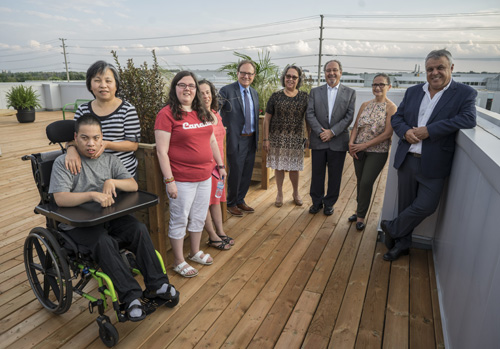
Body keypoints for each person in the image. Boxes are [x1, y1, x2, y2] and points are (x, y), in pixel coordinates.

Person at [49, 114, 178, 322]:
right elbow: (60, 198)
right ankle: (131, 298)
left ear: (102, 138)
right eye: (84, 138)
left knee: (138, 228)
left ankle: (157, 285)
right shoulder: (63, 163)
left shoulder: (109, 159)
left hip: (108, 216)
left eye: (95, 138)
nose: (91, 143)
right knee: (103, 241)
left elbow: (133, 185)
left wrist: (112, 182)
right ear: (75, 137)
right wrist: (92, 195)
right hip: (78, 225)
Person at [381, 49, 477, 261]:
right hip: (407, 159)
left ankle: (391, 227)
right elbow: (397, 118)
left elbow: (468, 119)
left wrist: (430, 130)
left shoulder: (464, 93)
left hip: (434, 163)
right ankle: (402, 244)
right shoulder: (414, 91)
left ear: (451, 68)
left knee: (426, 205)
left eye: (440, 68)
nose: (435, 73)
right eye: (430, 69)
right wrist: (405, 131)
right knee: (405, 205)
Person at [155, 71, 227, 278]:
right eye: (182, 85)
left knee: (198, 215)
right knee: (179, 219)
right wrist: (170, 181)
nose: (187, 89)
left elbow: (212, 141)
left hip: (205, 176)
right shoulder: (167, 114)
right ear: (174, 88)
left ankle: (194, 251)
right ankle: (179, 260)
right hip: (181, 178)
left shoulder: (201, 111)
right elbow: (162, 151)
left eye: (191, 86)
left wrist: (220, 166)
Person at [65, 60, 141, 177]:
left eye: (108, 81)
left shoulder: (127, 110)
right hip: (90, 172)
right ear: (90, 85)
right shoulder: (83, 110)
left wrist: (106, 144)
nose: (103, 85)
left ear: (116, 84)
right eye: (97, 80)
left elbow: (133, 145)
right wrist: (70, 149)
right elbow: (73, 138)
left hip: (121, 172)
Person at [306, 60, 356, 216]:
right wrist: (321, 132)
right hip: (319, 140)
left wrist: (332, 132)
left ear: (340, 72)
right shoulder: (314, 92)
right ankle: (316, 202)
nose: (331, 73)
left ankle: (329, 203)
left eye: (335, 70)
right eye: (328, 70)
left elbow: (349, 117)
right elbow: (310, 113)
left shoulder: (350, 93)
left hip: (338, 141)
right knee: (317, 174)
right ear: (324, 73)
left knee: (335, 175)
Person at [348, 74, 397, 231]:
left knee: (366, 182)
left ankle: (361, 216)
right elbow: (356, 126)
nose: (377, 87)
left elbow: (387, 134)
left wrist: (364, 145)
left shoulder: (391, 107)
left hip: (377, 151)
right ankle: (358, 210)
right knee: (360, 180)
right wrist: (351, 143)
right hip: (358, 150)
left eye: (381, 85)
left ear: (389, 87)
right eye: (375, 84)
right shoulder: (365, 105)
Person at [263, 65, 309, 207]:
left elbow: (308, 119)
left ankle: (295, 193)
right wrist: (266, 139)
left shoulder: (304, 97)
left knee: (294, 168)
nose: (290, 79)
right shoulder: (275, 96)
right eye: (288, 76)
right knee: (279, 167)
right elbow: (266, 119)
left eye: (294, 77)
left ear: (298, 80)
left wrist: (309, 137)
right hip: (277, 137)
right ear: (284, 77)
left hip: (296, 138)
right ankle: (280, 193)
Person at [219, 60, 260, 217]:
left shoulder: (254, 93)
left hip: (251, 139)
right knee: (235, 172)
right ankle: (231, 203)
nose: (246, 76)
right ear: (237, 73)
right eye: (243, 72)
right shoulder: (227, 91)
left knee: (247, 172)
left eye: (249, 73)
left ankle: (240, 200)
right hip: (235, 139)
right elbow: (214, 109)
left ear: (254, 76)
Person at [199, 79, 234, 250]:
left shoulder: (215, 113)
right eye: (201, 93)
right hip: (206, 165)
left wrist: (222, 164)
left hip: (218, 165)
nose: (205, 96)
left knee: (217, 199)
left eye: (208, 92)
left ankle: (220, 232)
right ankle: (212, 236)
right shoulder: (196, 116)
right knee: (205, 201)